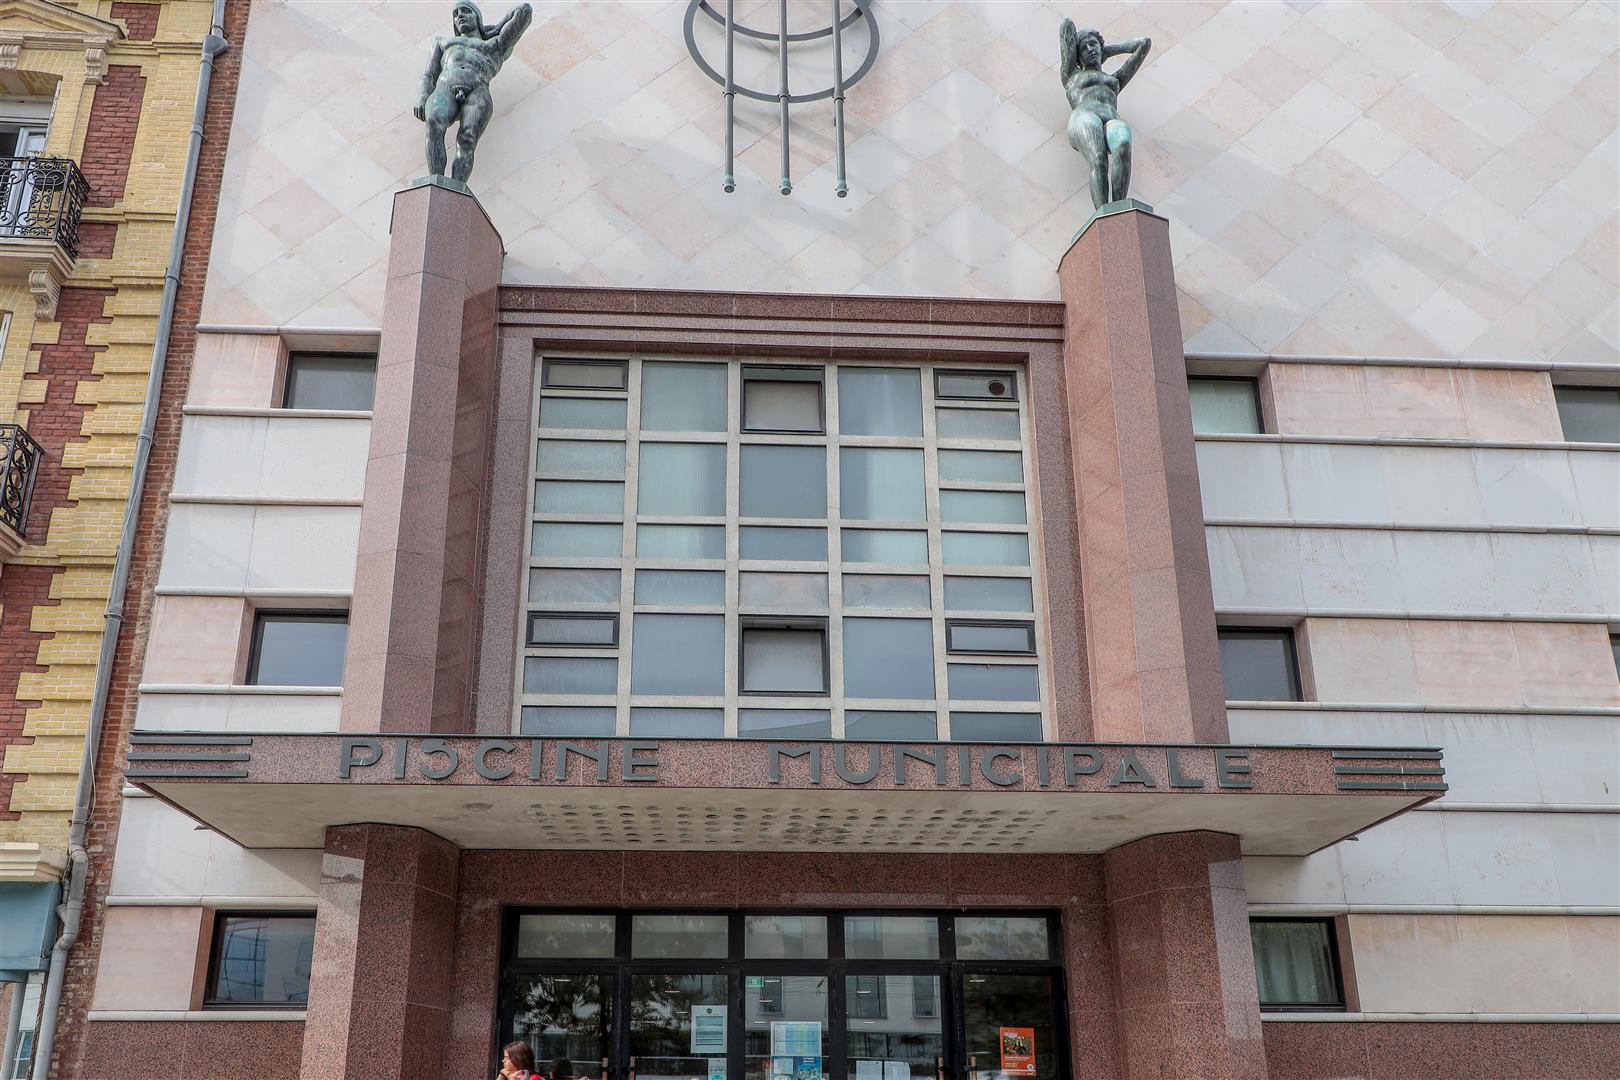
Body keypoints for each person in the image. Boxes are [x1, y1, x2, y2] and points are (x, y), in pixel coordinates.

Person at [416, 1, 533, 181]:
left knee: (467, 139)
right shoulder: (442, 42)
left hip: (477, 90)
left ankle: (456, 190)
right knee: (433, 121)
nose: (459, 16)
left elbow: (524, 11)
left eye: (465, 11)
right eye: (455, 14)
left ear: (477, 18)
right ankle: (435, 183)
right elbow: (429, 75)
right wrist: (423, 97)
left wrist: (494, 29)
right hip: (445, 86)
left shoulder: (496, 44)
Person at [1058, 19, 1151, 210]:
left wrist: (1107, 50)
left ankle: (1119, 209)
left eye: (1094, 45)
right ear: (1077, 55)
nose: (1091, 49)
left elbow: (1144, 43)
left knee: (1123, 143)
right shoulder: (1072, 75)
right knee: (1099, 159)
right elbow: (1066, 26)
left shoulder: (1114, 80)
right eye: (1084, 48)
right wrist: (1077, 51)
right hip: (1084, 116)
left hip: (1110, 120)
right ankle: (1103, 213)